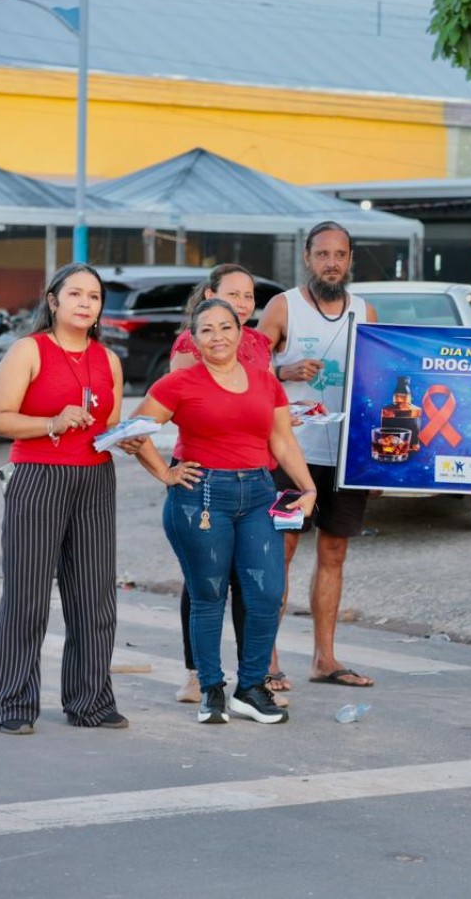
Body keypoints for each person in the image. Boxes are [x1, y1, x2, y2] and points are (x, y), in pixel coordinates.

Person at [130, 298, 318, 724]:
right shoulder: (178, 383)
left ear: (241, 331)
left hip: (257, 493)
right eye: (207, 330)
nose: (217, 337)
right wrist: (165, 473)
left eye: (225, 327)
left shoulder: (265, 381)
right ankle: (211, 688)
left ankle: (250, 688)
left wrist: (307, 488)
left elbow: (283, 442)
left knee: (267, 593)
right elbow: (133, 433)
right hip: (202, 497)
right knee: (209, 595)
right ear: (194, 340)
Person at [0, 263, 128, 734]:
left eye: (94, 297)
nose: (86, 304)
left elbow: (108, 425)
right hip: (38, 477)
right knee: (27, 599)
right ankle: (9, 704)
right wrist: (50, 423)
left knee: (95, 598)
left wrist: (126, 437)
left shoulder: (108, 360)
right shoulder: (29, 350)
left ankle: (91, 702)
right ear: (53, 300)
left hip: (95, 480)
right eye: (76, 295)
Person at [256, 221, 378, 688]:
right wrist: (283, 371)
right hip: (292, 454)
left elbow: (384, 372)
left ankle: (324, 659)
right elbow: (245, 365)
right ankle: (265, 661)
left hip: (346, 454)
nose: (332, 263)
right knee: (280, 553)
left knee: (334, 551)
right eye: (323, 254)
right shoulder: (283, 306)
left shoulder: (366, 311)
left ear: (350, 261)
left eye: (340, 255)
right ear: (307, 258)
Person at [164, 265, 277, 704]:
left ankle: (254, 679)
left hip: (257, 471)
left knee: (254, 582)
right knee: (206, 582)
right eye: (234, 294)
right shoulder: (189, 343)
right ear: (210, 294)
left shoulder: (260, 343)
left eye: (250, 296)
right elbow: (180, 398)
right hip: (203, 473)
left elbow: (264, 399)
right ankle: (198, 674)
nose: (244, 303)